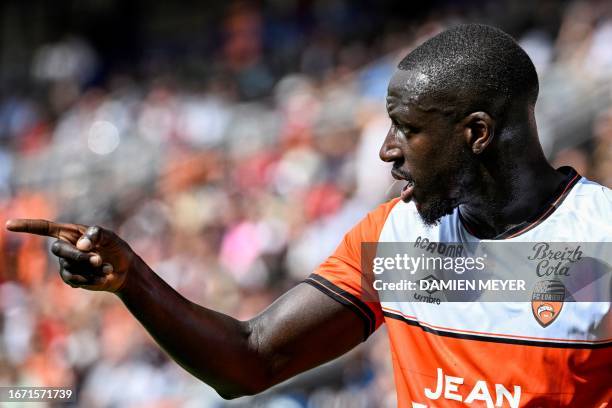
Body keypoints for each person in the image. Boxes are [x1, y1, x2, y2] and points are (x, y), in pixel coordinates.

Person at [6, 24, 611, 407]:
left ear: (477, 133)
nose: (387, 150)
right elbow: (251, 360)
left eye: (409, 129)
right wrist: (130, 277)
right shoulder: (395, 240)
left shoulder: (599, 245)